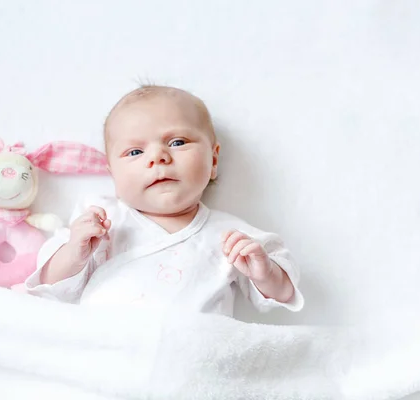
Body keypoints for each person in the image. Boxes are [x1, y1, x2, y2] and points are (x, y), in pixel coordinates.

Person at [24, 85, 304, 316]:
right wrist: (74, 251)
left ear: (214, 159)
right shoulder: (102, 219)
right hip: (109, 349)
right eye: (135, 152)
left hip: (190, 362)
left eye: (177, 143)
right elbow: (49, 285)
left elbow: (283, 293)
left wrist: (265, 272)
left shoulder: (230, 235)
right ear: (113, 175)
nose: (157, 157)